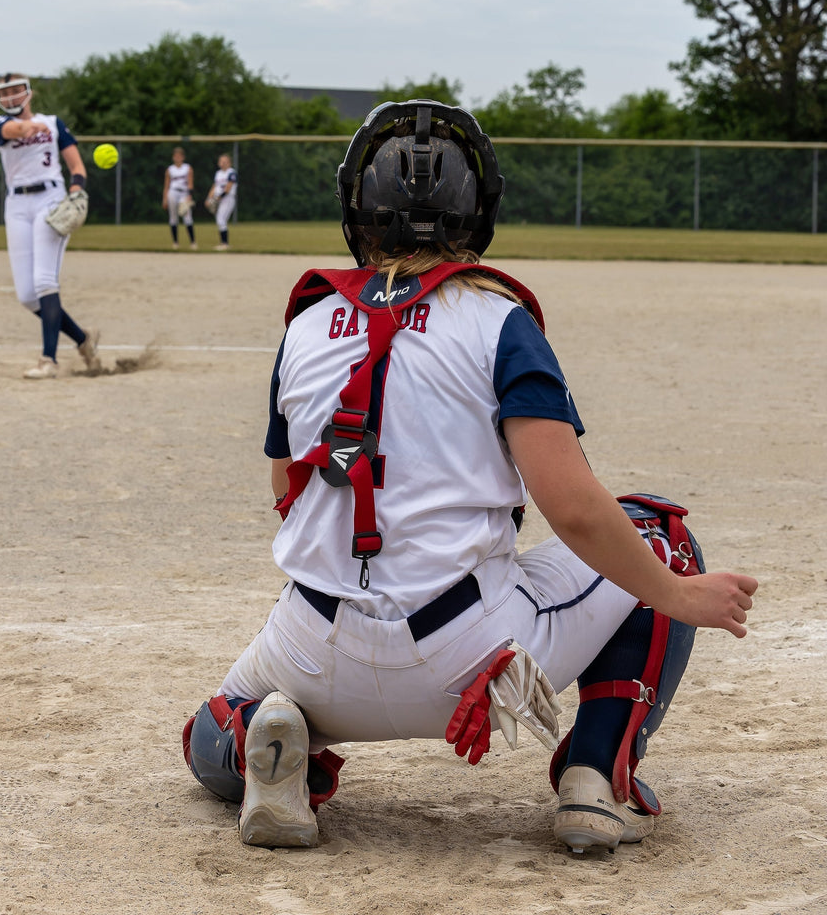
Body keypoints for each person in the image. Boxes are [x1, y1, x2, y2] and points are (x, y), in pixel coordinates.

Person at [182, 100, 758, 853]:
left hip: (312, 646)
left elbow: (285, 496)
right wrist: (679, 595)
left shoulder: (305, 324)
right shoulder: (499, 322)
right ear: (478, 212)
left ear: (355, 208)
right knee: (658, 535)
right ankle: (593, 778)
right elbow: (576, 510)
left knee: (206, 733)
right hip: (471, 655)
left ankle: (272, 743)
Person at [0, 73, 102, 379]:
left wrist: (77, 189)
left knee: (43, 282)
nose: (11, 97)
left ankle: (48, 361)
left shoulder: (53, 123)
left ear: (28, 93)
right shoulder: (1, 124)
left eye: (16, 91)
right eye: (6, 92)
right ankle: (82, 339)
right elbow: (13, 129)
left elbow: (76, 166)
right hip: (16, 206)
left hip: (50, 200)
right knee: (27, 296)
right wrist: (28, 126)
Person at [162, 146, 196, 250]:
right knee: (173, 218)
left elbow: (190, 183)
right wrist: (164, 199)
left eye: (179, 156)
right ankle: (175, 242)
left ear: (183, 157)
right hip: (172, 193)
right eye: (176, 156)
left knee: (187, 217)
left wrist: (189, 195)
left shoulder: (188, 168)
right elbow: (166, 185)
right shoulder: (170, 169)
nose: (177, 158)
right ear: (173, 157)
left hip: (184, 194)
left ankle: (193, 242)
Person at [206, 153, 238, 250]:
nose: (223, 163)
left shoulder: (231, 172)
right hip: (219, 199)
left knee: (221, 219)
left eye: (225, 161)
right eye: (221, 161)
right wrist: (208, 198)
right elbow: (215, 187)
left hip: (228, 198)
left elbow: (228, 188)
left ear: (229, 163)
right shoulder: (218, 173)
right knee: (220, 219)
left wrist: (216, 198)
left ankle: (224, 243)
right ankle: (224, 243)